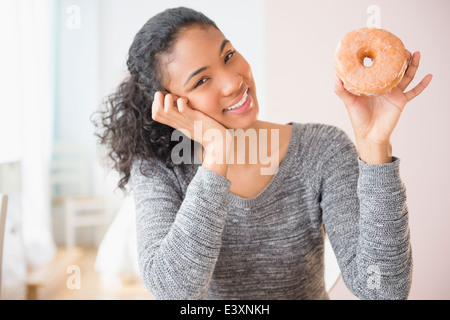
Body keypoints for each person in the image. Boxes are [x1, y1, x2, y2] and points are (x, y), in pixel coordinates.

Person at [94, 7, 432, 299]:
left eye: (228, 56)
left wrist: (375, 146)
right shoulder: (158, 168)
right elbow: (175, 291)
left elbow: (383, 290)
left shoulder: (321, 149)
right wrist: (216, 156)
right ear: (170, 104)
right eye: (201, 81)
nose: (232, 82)